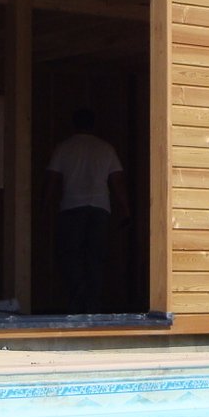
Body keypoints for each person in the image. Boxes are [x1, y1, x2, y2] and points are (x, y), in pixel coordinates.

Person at [43, 108, 127, 314]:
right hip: (99, 210)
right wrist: (127, 209)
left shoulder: (64, 148)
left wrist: (44, 209)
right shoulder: (106, 149)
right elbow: (117, 182)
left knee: (71, 257)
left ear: (74, 124)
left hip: (71, 209)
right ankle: (93, 306)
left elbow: (51, 182)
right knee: (95, 258)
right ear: (94, 124)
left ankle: (76, 303)